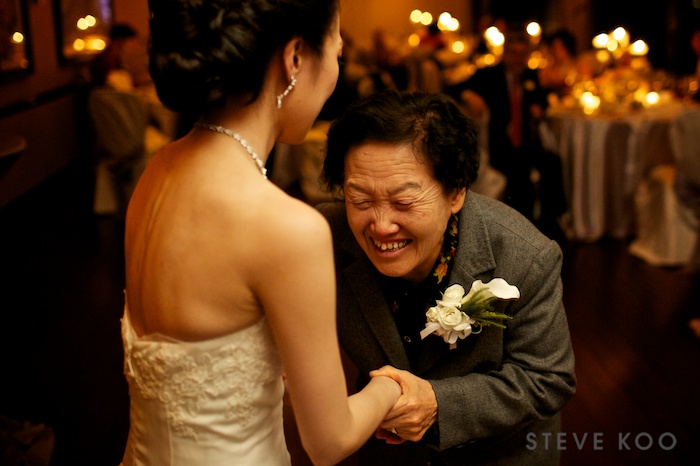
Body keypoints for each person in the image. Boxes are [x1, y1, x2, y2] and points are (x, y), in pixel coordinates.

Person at [120, 1, 401, 465]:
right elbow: (329, 441)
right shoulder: (285, 227)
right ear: (294, 59)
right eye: (336, 51)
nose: (335, 71)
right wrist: (391, 386)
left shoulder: (157, 170)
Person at [318, 90, 576, 466]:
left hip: (498, 455)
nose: (381, 226)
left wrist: (439, 404)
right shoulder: (321, 237)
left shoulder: (525, 256)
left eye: (404, 202)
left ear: (455, 192)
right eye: (360, 199)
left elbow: (548, 379)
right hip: (386, 453)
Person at [446, 28, 567, 241]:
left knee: (553, 162)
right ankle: (521, 232)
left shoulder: (530, 76)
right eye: (513, 53)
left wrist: (539, 105)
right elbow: (452, 87)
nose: (517, 59)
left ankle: (551, 221)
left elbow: (544, 96)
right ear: (504, 53)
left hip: (527, 144)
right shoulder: (489, 75)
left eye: (523, 54)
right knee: (519, 176)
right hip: (499, 146)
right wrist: (469, 95)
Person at [90, 23, 139, 89]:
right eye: (130, 41)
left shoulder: (115, 55)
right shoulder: (107, 58)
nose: (132, 45)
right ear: (119, 39)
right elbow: (113, 83)